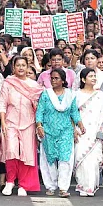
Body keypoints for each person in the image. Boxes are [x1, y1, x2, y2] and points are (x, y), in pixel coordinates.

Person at [0, 56, 43, 196]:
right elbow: (3, 103)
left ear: (28, 66)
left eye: (24, 65)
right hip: (10, 122)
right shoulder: (8, 82)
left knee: (26, 154)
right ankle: (10, 181)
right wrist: (3, 123)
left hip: (29, 123)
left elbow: (40, 106)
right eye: (18, 65)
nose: (21, 68)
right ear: (13, 67)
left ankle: (23, 184)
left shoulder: (34, 86)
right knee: (11, 150)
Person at [36, 68, 81, 198]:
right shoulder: (46, 94)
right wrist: (39, 125)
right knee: (48, 159)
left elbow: (74, 112)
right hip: (48, 131)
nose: (53, 81)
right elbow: (40, 111)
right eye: (52, 78)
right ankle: (50, 186)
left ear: (63, 80)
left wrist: (80, 124)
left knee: (65, 158)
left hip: (65, 131)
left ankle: (63, 187)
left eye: (56, 78)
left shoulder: (70, 94)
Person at [74, 67, 103, 197]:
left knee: (93, 159)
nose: (93, 78)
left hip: (95, 130)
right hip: (81, 130)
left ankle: (90, 186)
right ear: (83, 79)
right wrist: (74, 129)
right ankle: (82, 185)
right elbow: (73, 113)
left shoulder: (100, 95)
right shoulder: (76, 94)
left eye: (94, 76)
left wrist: (102, 129)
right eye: (90, 76)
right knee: (81, 157)